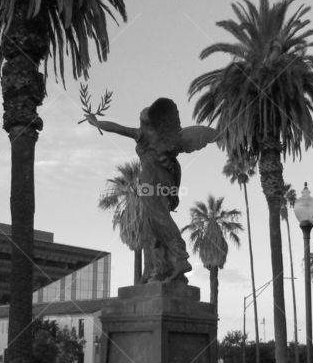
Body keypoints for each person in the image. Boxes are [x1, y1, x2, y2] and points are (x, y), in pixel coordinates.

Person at [85, 98, 218, 283]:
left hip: (150, 179)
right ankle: (157, 269)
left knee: (158, 218)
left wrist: (96, 122)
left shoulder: (143, 134)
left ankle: (180, 257)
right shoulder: (163, 137)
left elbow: (115, 128)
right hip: (164, 180)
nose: (140, 116)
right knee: (150, 227)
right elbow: (185, 151)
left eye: (142, 115)